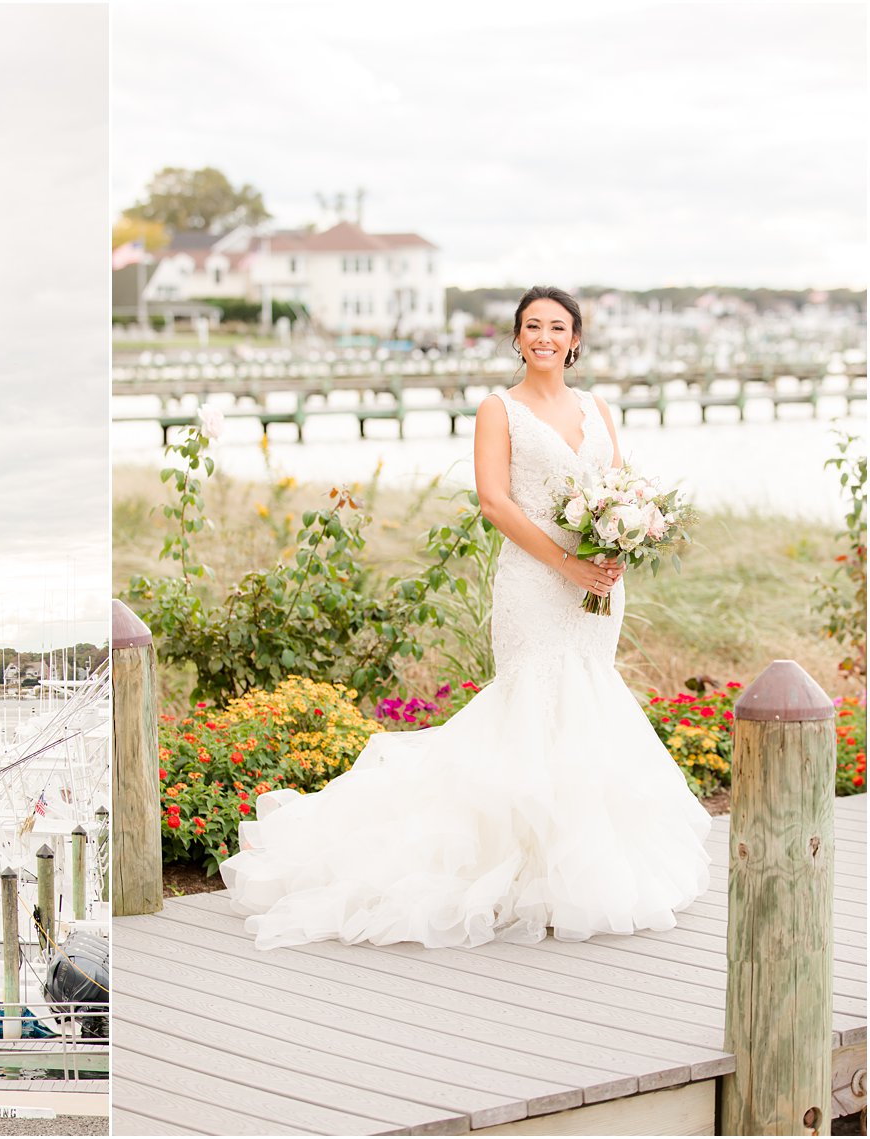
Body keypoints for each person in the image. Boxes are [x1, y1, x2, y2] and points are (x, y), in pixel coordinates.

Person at [218, 286, 711, 950]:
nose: (544, 336)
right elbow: (496, 501)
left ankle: (573, 870)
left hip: (597, 589)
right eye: (531, 325)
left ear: (575, 338)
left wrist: (619, 543)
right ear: (516, 337)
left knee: (586, 705)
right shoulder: (497, 408)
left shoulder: (597, 408)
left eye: (556, 326)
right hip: (535, 586)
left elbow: (616, 487)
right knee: (534, 705)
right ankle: (517, 873)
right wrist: (566, 566)